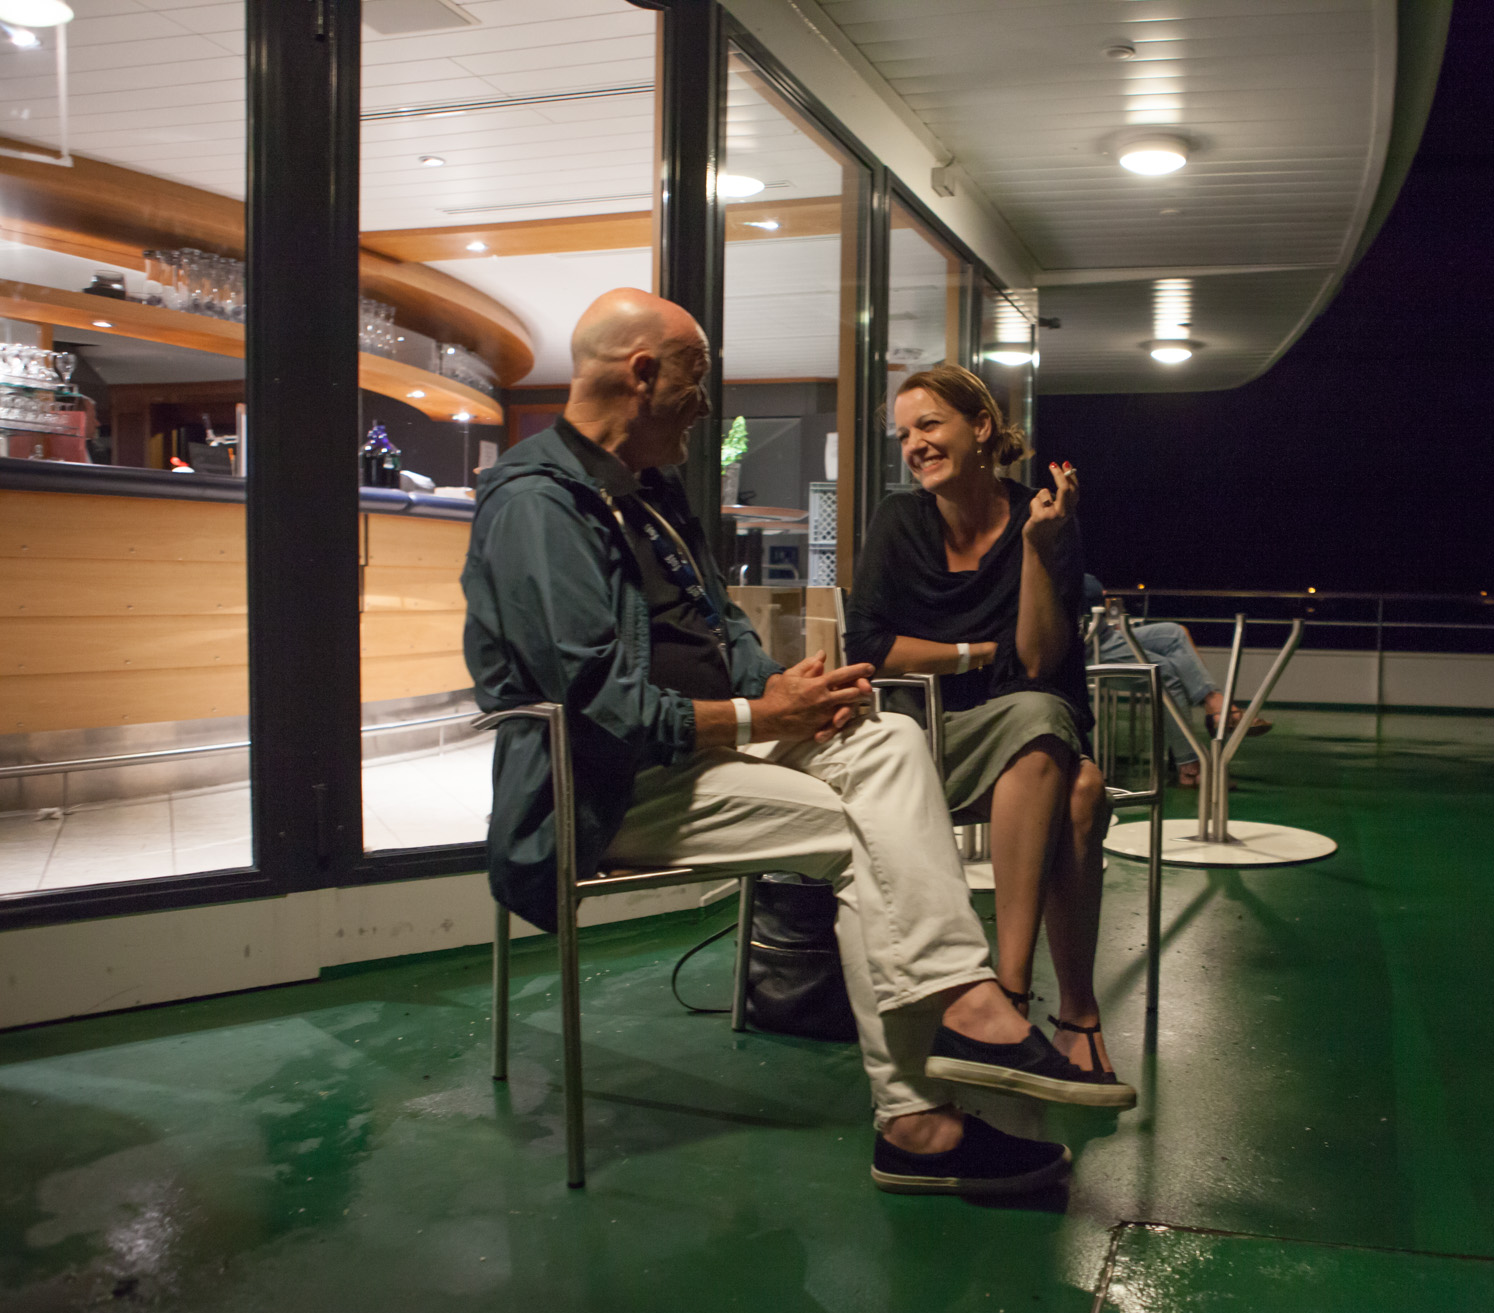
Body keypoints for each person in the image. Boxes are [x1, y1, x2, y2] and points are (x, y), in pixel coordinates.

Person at [461, 289, 1122, 1198]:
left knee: (888, 737)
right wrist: (758, 718)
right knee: (861, 832)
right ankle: (919, 1117)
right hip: (607, 782)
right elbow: (596, 704)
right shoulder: (538, 505)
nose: (706, 402)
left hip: (713, 747)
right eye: (695, 378)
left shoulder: (648, 493)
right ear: (642, 373)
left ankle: (967, 1004)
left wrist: (786, 689)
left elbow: (719, 627)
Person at [845, 365, 1134, 1109]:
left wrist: (1038, 547)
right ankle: (1020, 1001)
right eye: (903, 434)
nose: (913, 444)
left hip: (1031, 740)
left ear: (980, 428)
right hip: (923, 741)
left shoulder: (1044, 518)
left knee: (1079, 783)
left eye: (928, 424)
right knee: (1052, 742)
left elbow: (1037, 661)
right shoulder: (899, 520)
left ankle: (1058, 1012)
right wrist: (976, 653)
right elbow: (869, 647)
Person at [1084, 574, 1272, 786]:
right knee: (1164, 672)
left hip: (1106, 635)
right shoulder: (1058, 567)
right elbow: (1083, 592)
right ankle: (1189, 764)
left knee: (1175, 633)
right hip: (1089, 649)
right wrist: (1097, 593)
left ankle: (1214, 703)